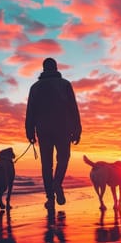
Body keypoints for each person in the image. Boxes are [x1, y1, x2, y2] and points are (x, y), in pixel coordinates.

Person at [25, 57, 82, 210]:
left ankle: (50, 198)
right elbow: (73, 108)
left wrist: (30, 131)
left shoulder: (35, 87)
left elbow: (30, 111)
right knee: (63, 158)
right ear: (56, 68)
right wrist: (77, 129)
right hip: (63, 128)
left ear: (44, 69)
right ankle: (57, 184)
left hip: (43, 130)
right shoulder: (65, 85)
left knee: (46, 165)